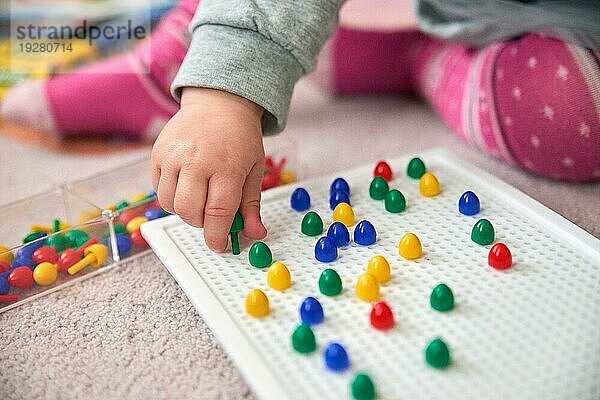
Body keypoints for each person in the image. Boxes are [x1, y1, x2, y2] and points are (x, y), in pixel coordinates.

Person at [2, 0, 599, 253]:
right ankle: (177, 68)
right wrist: (222, 95)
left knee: (579, 116)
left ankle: (415, 60)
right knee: (231, 28)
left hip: (533, 26)